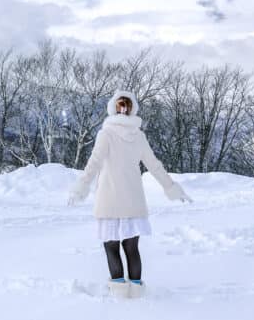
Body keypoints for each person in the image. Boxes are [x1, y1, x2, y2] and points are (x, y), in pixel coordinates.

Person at [67, 89, 192, 290]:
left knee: (111, 245)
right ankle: (135, 290)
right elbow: (154, 165)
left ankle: (119, 292)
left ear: (113, 109)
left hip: (109, 199)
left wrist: (80, 187)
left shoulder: (106, 134)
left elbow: (94, 163)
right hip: (133, 200)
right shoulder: (139, 136)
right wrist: (172, 188)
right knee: (131, 247)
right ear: (132, 110)